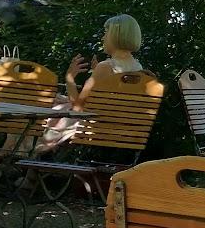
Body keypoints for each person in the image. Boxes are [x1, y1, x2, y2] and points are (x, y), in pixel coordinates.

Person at [35, 14, 144, 154]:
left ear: (115, 36)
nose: (103, 38)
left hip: (94, 129)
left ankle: (18, 156)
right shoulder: (138, 68)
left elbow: (78, 109)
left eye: (106, 33)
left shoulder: (106, 67)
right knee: (57, 102)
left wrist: (69, 78)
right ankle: (30, 172)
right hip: (120, 129)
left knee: (44, 107)